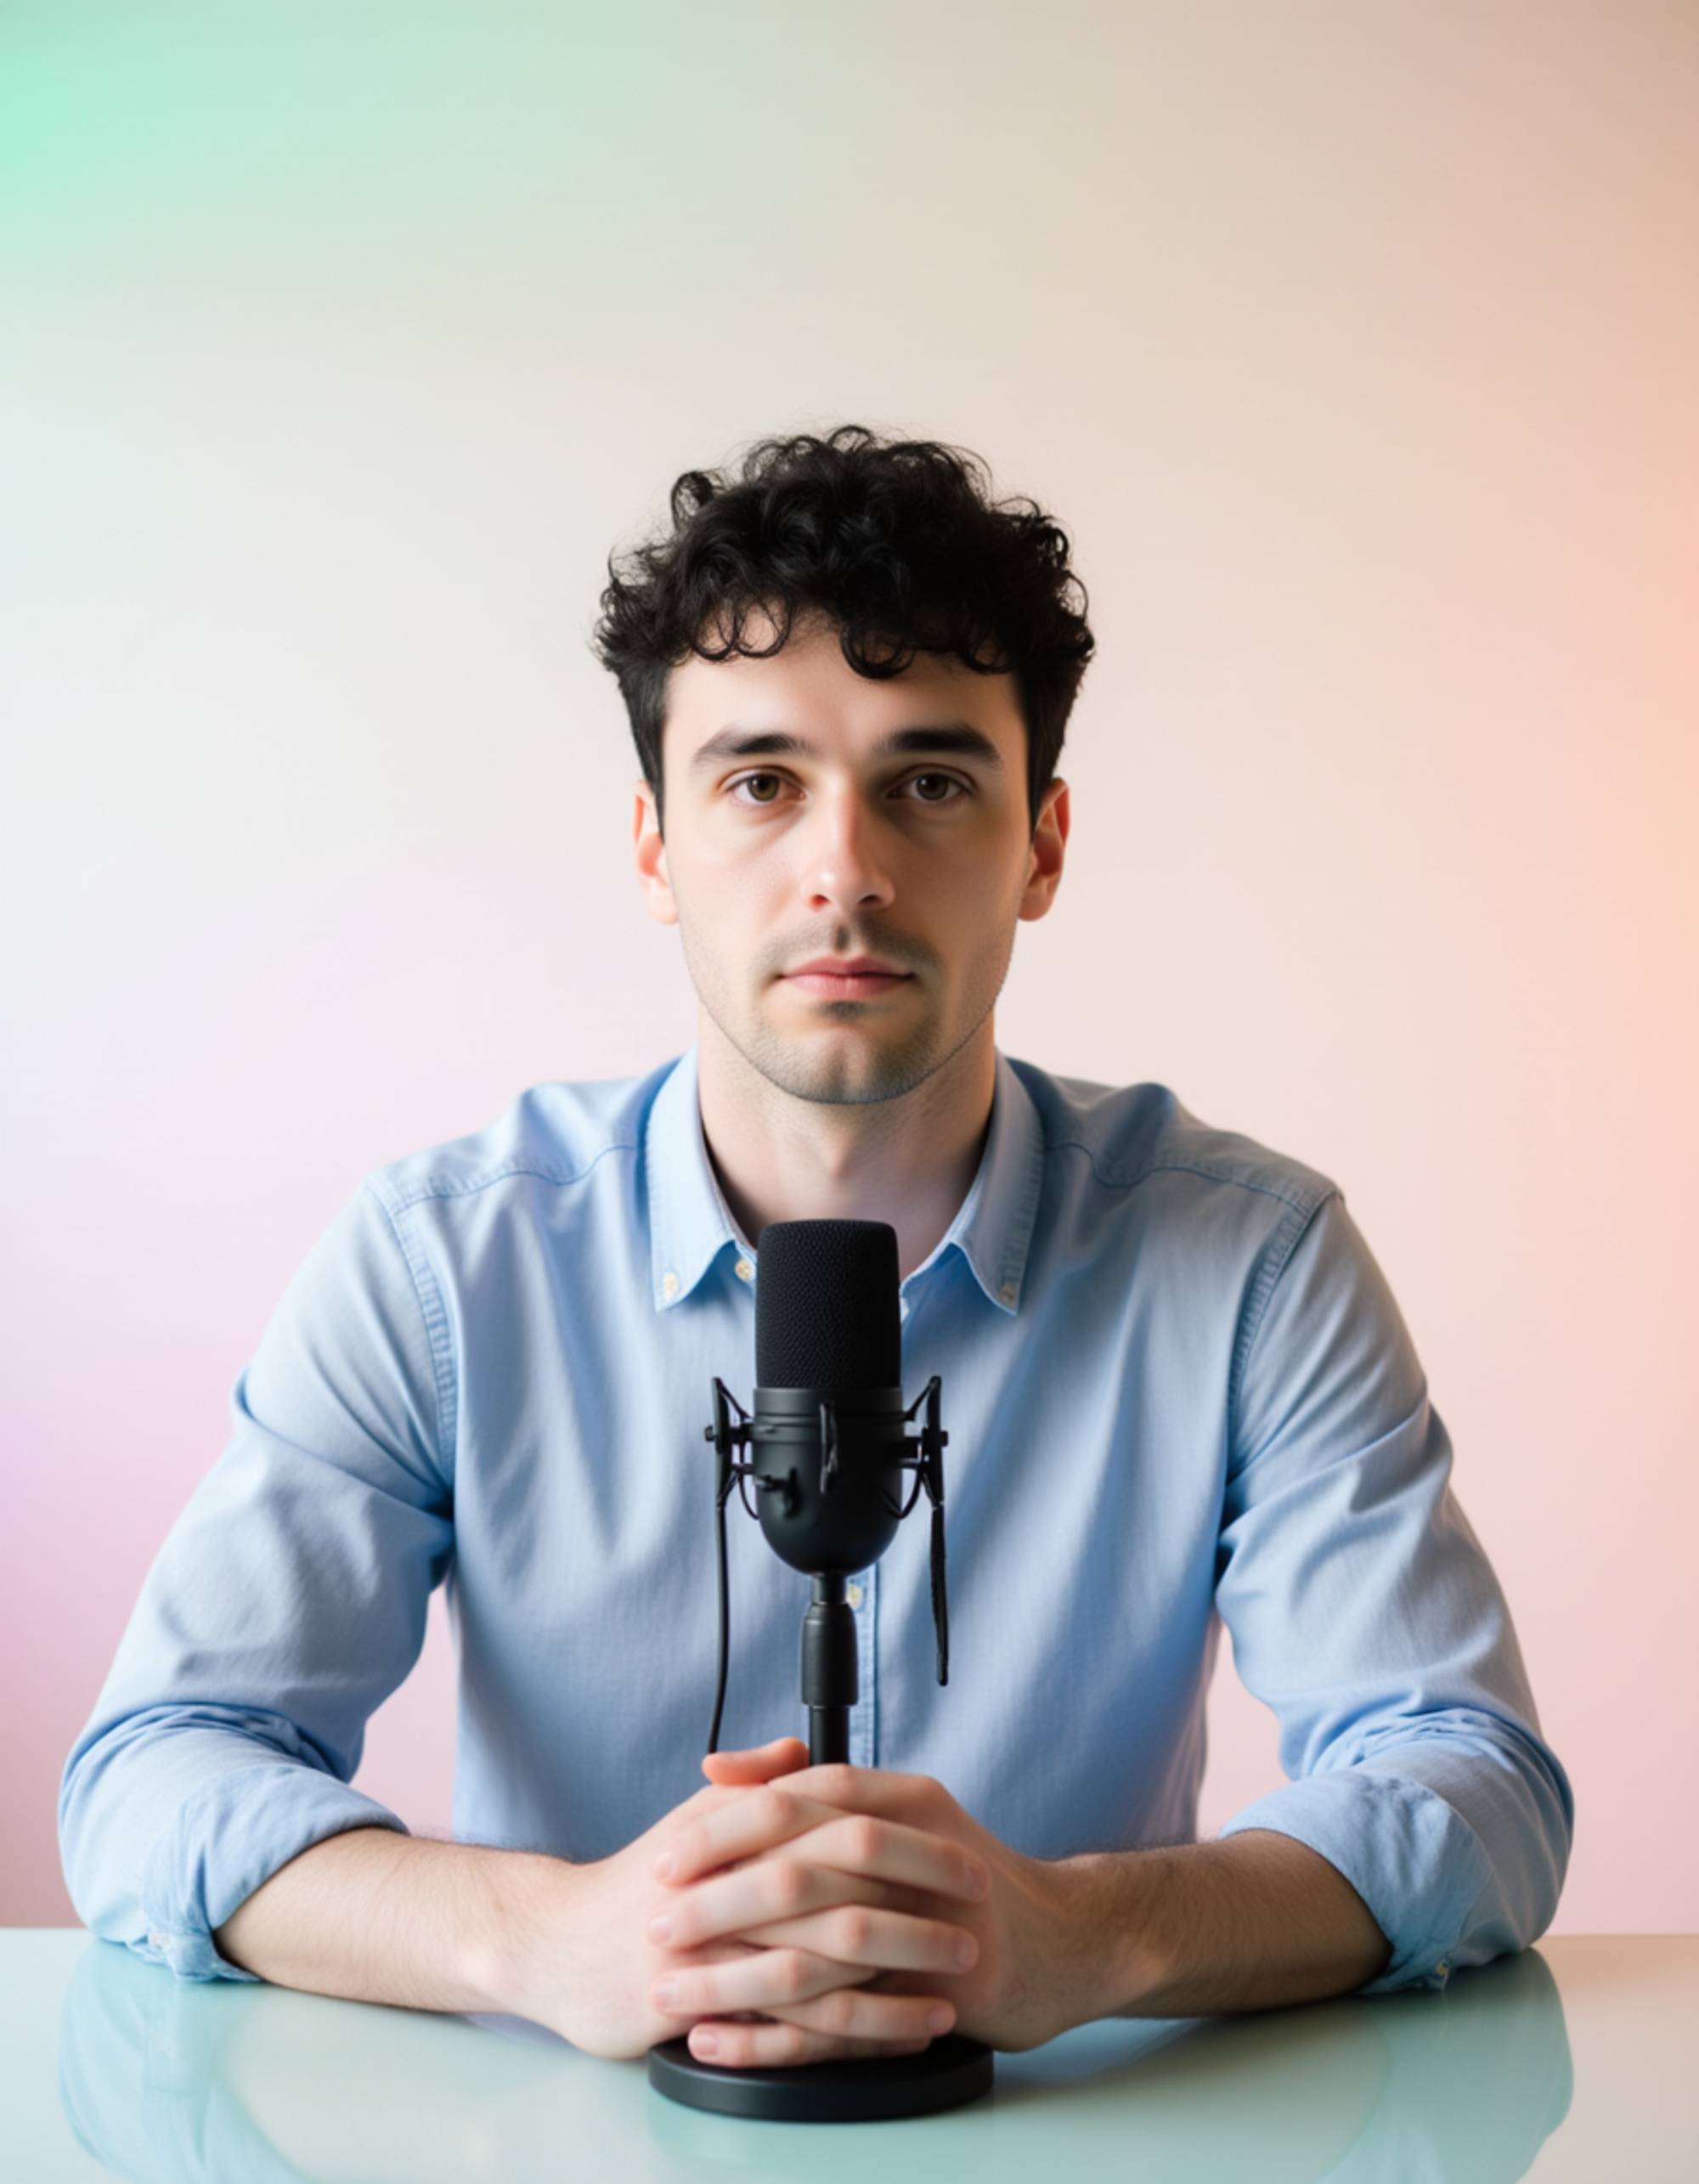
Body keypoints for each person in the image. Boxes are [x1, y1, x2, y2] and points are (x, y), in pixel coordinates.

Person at [58, 425, 1574, 2074]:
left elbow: (1468, 1780)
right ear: (656, 843)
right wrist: (549, 1936)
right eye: (760, 783)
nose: (843, 870)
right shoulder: (444, 1263)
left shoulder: (1250, 1264)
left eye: (929, 782)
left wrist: (1083, 1931)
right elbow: (157, 1772)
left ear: (1041, 844)